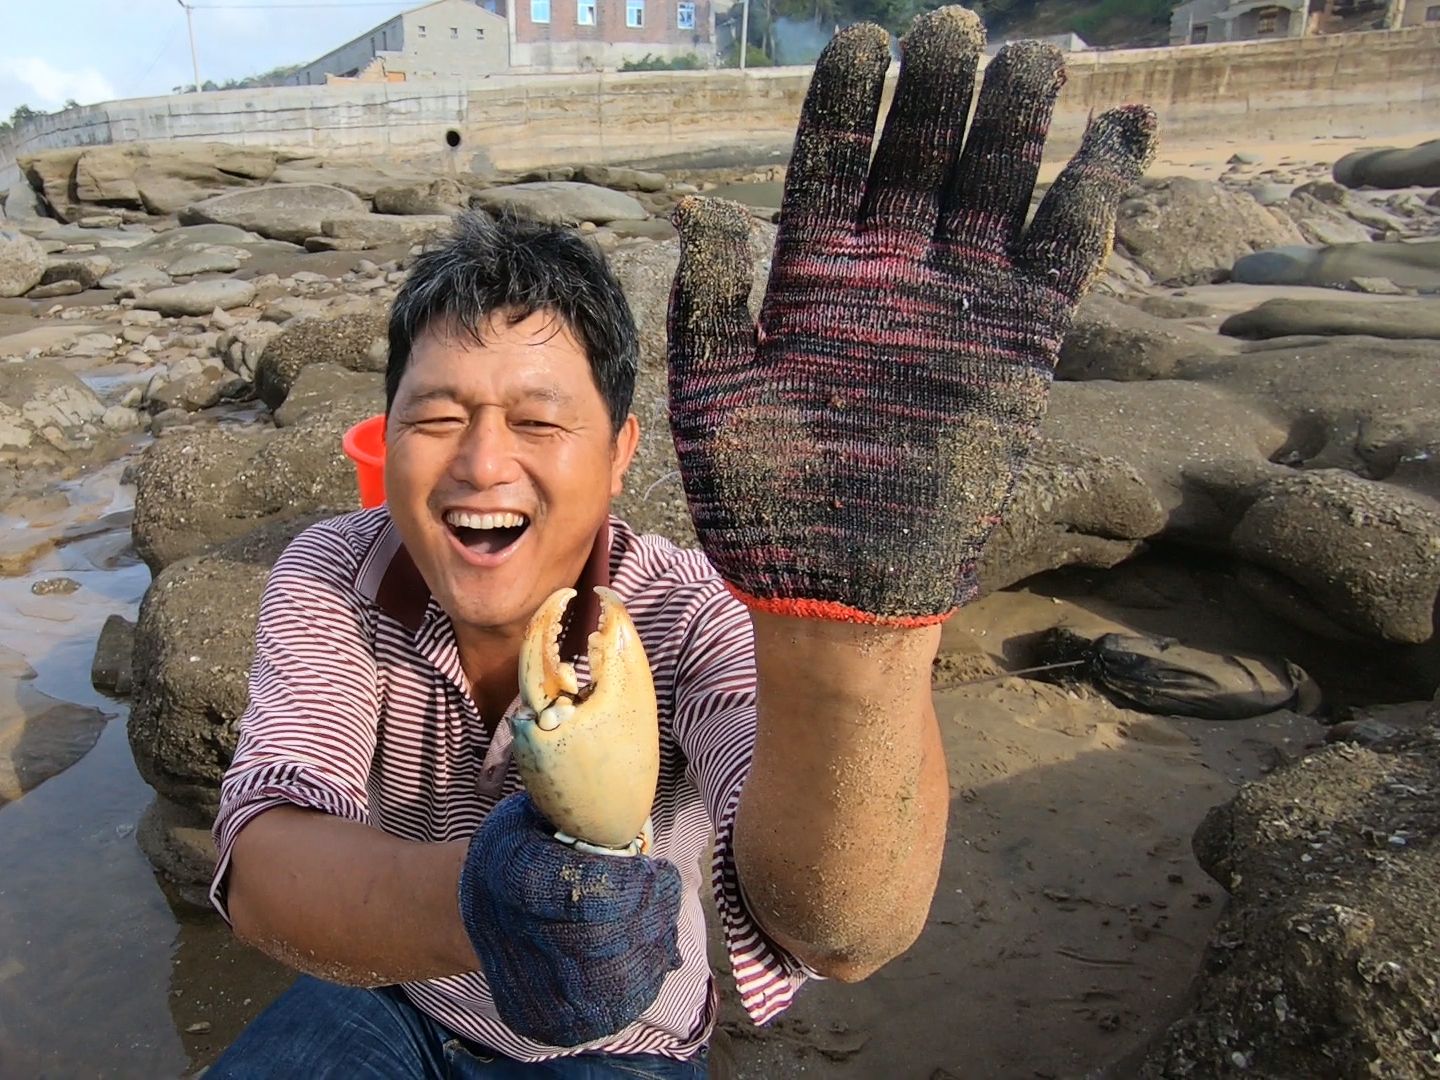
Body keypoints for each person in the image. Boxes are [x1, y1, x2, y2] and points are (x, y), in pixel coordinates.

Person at [206, 7, 1156, 1078]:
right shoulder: (339, 573)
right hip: (402, 995)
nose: (479, 464)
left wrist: (853, 640)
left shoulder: (692, 611)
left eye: (536, 420)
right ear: (390, 436)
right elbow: (267, 861)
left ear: (620, 456)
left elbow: (843, 931)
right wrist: (490, 906)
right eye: (436, 417)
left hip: (624, 1037)